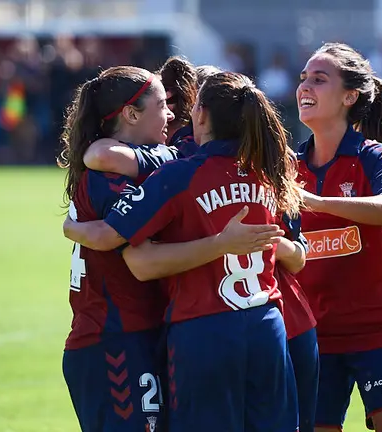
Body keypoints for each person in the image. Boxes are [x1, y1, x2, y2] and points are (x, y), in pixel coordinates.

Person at [66, 60, 319, 432]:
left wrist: (71, 227)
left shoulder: (177, 173)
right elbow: (299, 254)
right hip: (269, 325)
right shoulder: (269, 171)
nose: (172, 115)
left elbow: (129, 252)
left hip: (199, 330)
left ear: (200, 114)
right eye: (162, 105)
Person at [295, 42, 382, 432]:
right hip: (313, 336)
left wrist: (317, 201)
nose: (305, 88)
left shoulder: (373, 156)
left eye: (319, 79)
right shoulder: (289, 165)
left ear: (350, 96)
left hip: (378, 329)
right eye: (303, 79)